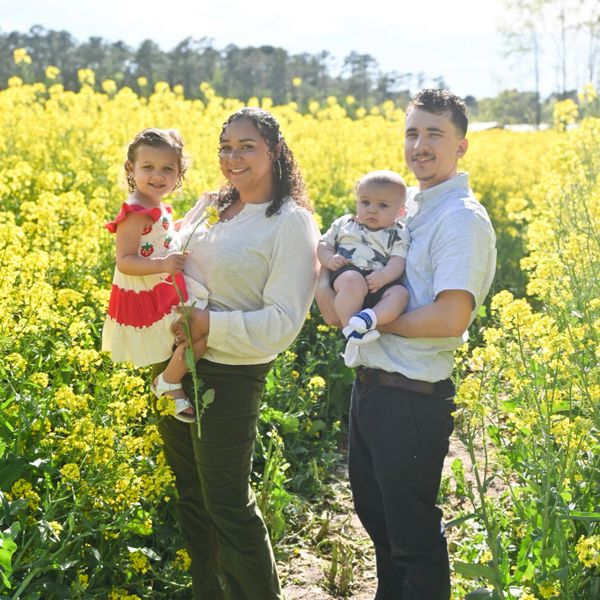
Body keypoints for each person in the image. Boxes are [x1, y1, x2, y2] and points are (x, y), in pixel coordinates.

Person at [316, 89, 497, 600]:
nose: (420, 144)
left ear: (461, 146)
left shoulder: (460, 218)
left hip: (412, 398)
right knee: (381, 530)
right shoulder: (403, 206)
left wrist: (366, 322)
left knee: (412, 539)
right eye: (412, 132)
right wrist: (329, 288)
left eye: (434, 133)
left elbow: (450, 316)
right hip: (372, 388)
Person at [157, 107, 319, 599]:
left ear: (274, 151)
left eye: (247, 146)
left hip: (228, 376)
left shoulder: (291, 223)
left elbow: (281, 325)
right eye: (226, 147)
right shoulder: (213, 207)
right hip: (176, 366)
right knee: (193, 500)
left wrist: (207, 323)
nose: (233, 157)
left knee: (226, 503)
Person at [102, 128, 209, 423]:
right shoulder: (136, 211)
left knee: (194, 331)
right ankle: (168, 383)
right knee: (195, 333)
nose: (157, 176)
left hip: (161, 285)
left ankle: (169, 380)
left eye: (167, 169)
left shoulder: (154, 204)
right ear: (131, 169)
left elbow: (164, 233)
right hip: (146, 291)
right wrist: (163, 264)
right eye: (147, 167)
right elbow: (124, 261)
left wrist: (201, 212)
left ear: (179, 173)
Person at [317, 170, 409, 347]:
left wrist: (384, 277)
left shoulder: (399, 232)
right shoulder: (345, 223)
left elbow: (398, 261)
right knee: (353, 281)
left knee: (400, 294)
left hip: (378, 280)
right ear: (357, 201)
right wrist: (329, 259)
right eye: (365, 202)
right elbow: (323, 244)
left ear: (400, 211)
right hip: (349, 270)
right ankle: (350, 328)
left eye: (382, 205)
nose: (372, 209)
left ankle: (369, 318)